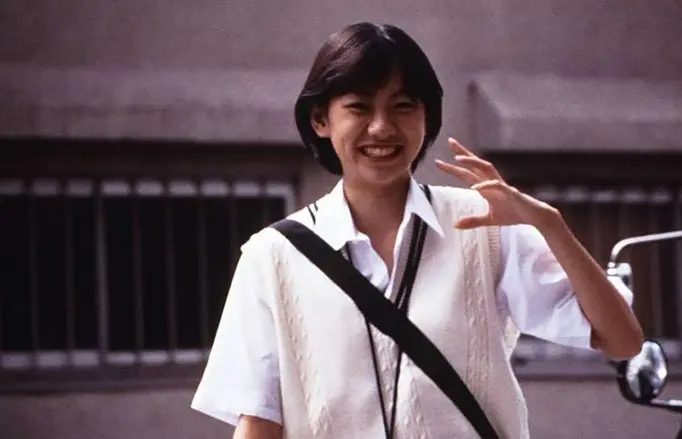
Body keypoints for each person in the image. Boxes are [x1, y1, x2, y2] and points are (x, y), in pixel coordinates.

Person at [191, 22, 643, 439]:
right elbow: (259, 419)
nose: (381, 127)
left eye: (403, 106)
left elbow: (623, 340)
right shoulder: (272, 255)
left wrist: (550, 224)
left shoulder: (484, 225)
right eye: (359, 107)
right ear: (320, 120)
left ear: (426, 118)